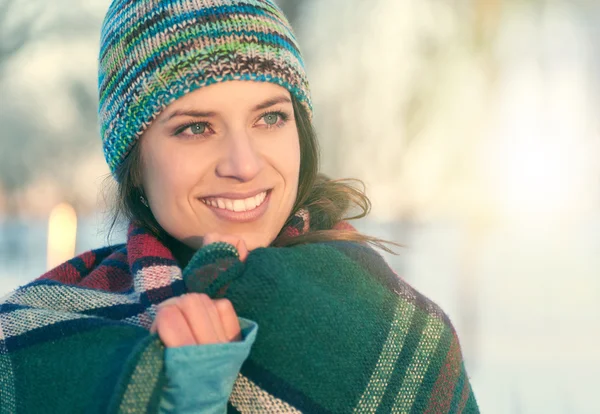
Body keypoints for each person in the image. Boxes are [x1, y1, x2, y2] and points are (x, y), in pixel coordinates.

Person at [0, 0, 479, 413]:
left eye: (269, 117)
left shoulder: (393, 330)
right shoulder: (42, 342)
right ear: (136, 163)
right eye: (195, 128)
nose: (244, 164)